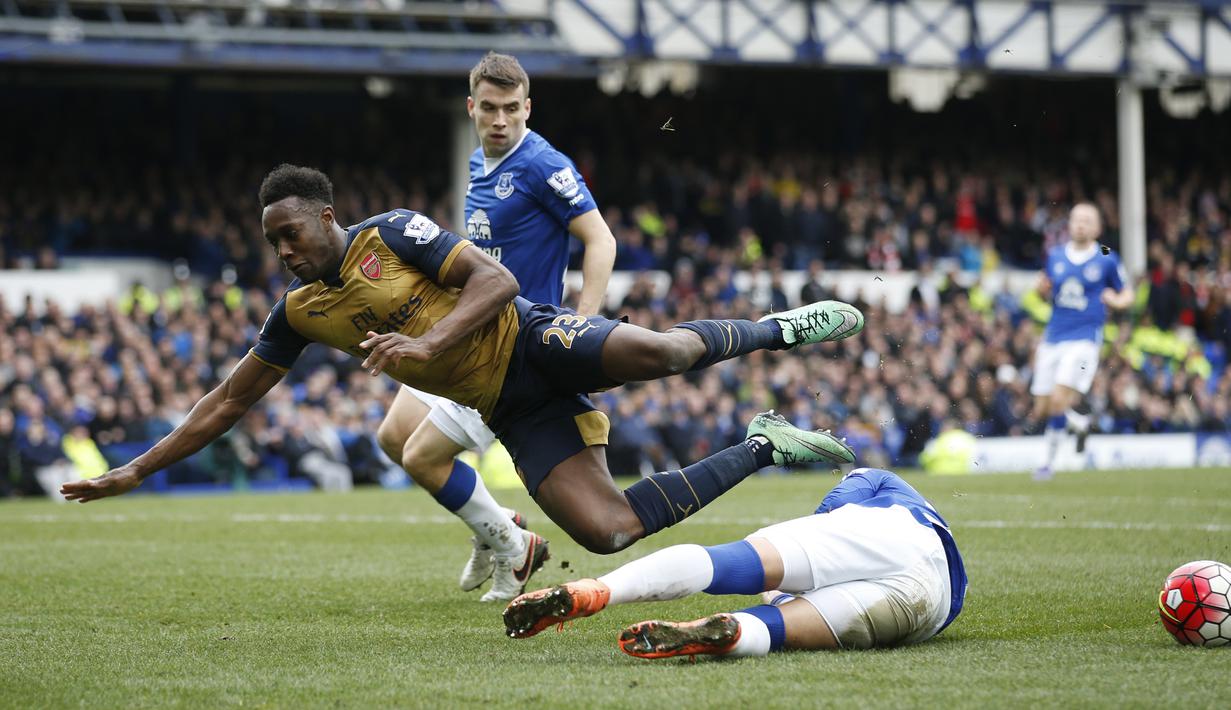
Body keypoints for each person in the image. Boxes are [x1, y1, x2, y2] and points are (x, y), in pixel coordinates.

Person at [61, 165, 864, 582]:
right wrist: (134, 468)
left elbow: (497, 281)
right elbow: (227, 401)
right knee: (607, 531)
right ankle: (764, 445)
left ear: (326, 216)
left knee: (666, 352)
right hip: (510, 409)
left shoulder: (392, 232)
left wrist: (427, 345)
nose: (282, 250)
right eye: (272, 240)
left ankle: (777, 329)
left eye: (291, 231)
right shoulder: (298, 310)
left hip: (532, 339)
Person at [375, 52, 618, 602]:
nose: (501, 119)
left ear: (527, 108)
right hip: (464, 328)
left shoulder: (541, 164)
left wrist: (583, 324)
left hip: (507, 347)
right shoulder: (478, 163)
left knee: (420, 457)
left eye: (512, 108)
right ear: (471, 109)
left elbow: (601, 241)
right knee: (393, 437)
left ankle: (513, 546)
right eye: (490, 108)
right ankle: (498, 524)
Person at [503, 468, 967, 660]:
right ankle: (734, 631)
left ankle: (599, 590)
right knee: (780, 627)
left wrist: (806, 539)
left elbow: (836, 506)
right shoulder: (944, 557)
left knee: (730, 562)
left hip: (890, 534)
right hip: (932, 606)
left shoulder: (878, 481)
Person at [1029, 203, 1133, 479]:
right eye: (1076, 220)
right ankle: (1078, 423)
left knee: (1060, 397)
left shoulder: (1106, 254)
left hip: (1084, 338)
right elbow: (1045, 289)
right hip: (1053, 336)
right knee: (1041, 406)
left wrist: (1115, 300)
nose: (1081, 225)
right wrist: (1041, 291)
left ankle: (1046, 464)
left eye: (1087, 220)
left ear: (1097, 227)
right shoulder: (1055, 254)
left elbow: (1127, 294)